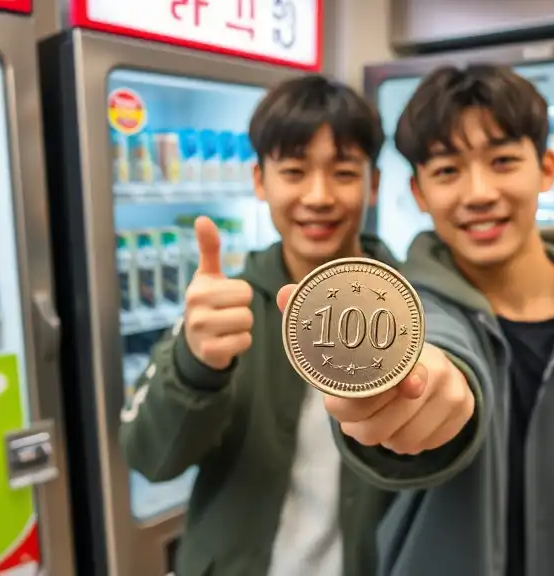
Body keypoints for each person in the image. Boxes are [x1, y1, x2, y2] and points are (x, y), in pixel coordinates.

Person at [276, 64, 554, 575]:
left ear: (547, 167)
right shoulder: (406, 318)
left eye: (504, 160)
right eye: (447, 170)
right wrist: (408, 402)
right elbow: (433, 371)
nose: (479, 192)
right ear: (420, 193)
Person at [119, 75, 400, 576]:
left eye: (343, 172)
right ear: (259, 180)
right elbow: (151, 459)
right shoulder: (223, 314)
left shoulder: (405, 310)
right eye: (293, 171)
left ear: (373, 183)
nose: (318, 196)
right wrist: (195, 367)